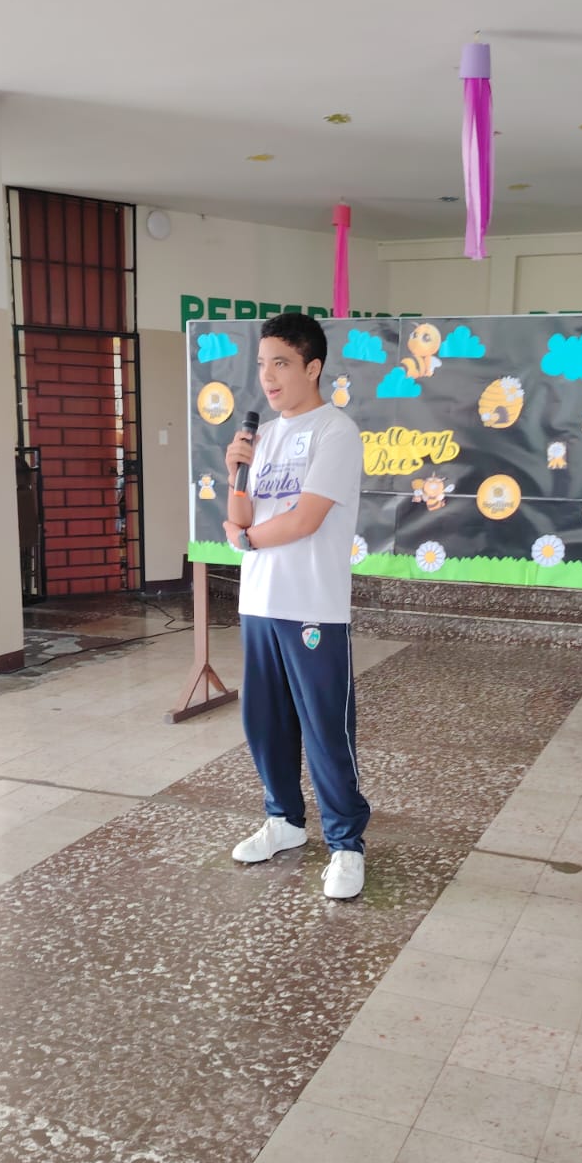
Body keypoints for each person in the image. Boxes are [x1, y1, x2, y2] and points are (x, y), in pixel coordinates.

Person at [222, 313, 370, 899]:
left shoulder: (336, 432)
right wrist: (233, 472)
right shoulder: (261, 438)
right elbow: (240, 519)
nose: (268, 376)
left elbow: (305, 519)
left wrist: (247, 539)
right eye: (263, 364)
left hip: (313, 606)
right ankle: (283, 820)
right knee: (264, 723)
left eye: (281, 363)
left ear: (313, 367)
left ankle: (346, 845)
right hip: (260, 601)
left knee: (325, 729)